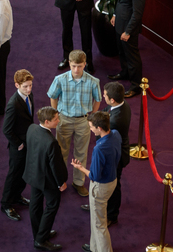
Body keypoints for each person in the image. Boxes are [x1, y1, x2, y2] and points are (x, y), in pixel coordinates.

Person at [48, 50, 103, 197]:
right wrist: (55, 114)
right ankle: (61, 181)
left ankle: (78, 182)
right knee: (61, 152)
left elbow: (98, 99)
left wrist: (92, 116)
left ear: (85, 64)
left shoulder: (93, 81)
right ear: (69, 64)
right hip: (64, 119)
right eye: (73, 66)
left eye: (79, 66)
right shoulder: (60, 79)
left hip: (83, 121)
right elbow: (53, 96)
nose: (76, 70)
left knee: (81, 152)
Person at [70, 111, 121, 252]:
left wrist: (80, 168)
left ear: (99, 128)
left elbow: (94, 176)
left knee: (99, 224)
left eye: (91, 127)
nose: (90, 129)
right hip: (112, 181)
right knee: (96, 219)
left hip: (100, 187)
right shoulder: (116, 134)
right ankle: (94, 247)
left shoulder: (99, 149)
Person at [24, 107, 70, 251]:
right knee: (52, 205)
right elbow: (55, 166)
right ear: (46, 121)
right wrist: (61, 182)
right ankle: (41, 239)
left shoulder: (32, 128)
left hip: (33, 174)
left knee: (35, 205)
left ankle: (39, 232)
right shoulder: (51, 142)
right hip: (47, 180)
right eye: (56, 119)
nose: (58, 121)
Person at [86, 82, 130, 225]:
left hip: (115, 155)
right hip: (117, 148)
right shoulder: (122, 104)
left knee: (114, 185)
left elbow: (101, 135)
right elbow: (105, 111)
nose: (102, 95)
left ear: (112, 100)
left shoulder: (114, 121)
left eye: (104, 94)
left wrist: (95, 123)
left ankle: (111, 215)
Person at [1, 69, 36, 221]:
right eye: (25, 86)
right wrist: (19, 144)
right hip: (18, 146)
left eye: (30, 86)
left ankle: (17, 196)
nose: (29, 89)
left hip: (27, 141)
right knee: (13, 175)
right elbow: (6, 130)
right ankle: (6, 204)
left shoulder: (29, 96)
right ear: (17, 85)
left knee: (23, 172)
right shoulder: (13, 104)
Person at [110, 0, 147, 97]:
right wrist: (115, 15)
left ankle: (136, 86)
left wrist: (128, 31)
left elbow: (137, 14)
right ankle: (124, 73)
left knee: (132, 57)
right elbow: (121, 0)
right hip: (120, 22)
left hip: (128, 29)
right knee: (122, 52)